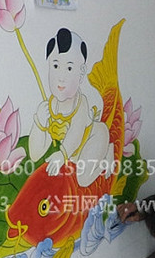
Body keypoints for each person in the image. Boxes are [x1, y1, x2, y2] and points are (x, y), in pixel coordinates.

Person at [28, 27, 113, 187]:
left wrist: (62, 155)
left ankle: (107, 154)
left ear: (81, 73)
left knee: (83, 179)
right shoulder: (48, 108)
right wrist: (39, 124)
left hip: (95, 137)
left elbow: (76, 133)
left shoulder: (80, 104)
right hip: (74, 155)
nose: (61, 77)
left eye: (69, 68)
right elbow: (35, 154)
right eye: (55, 66)